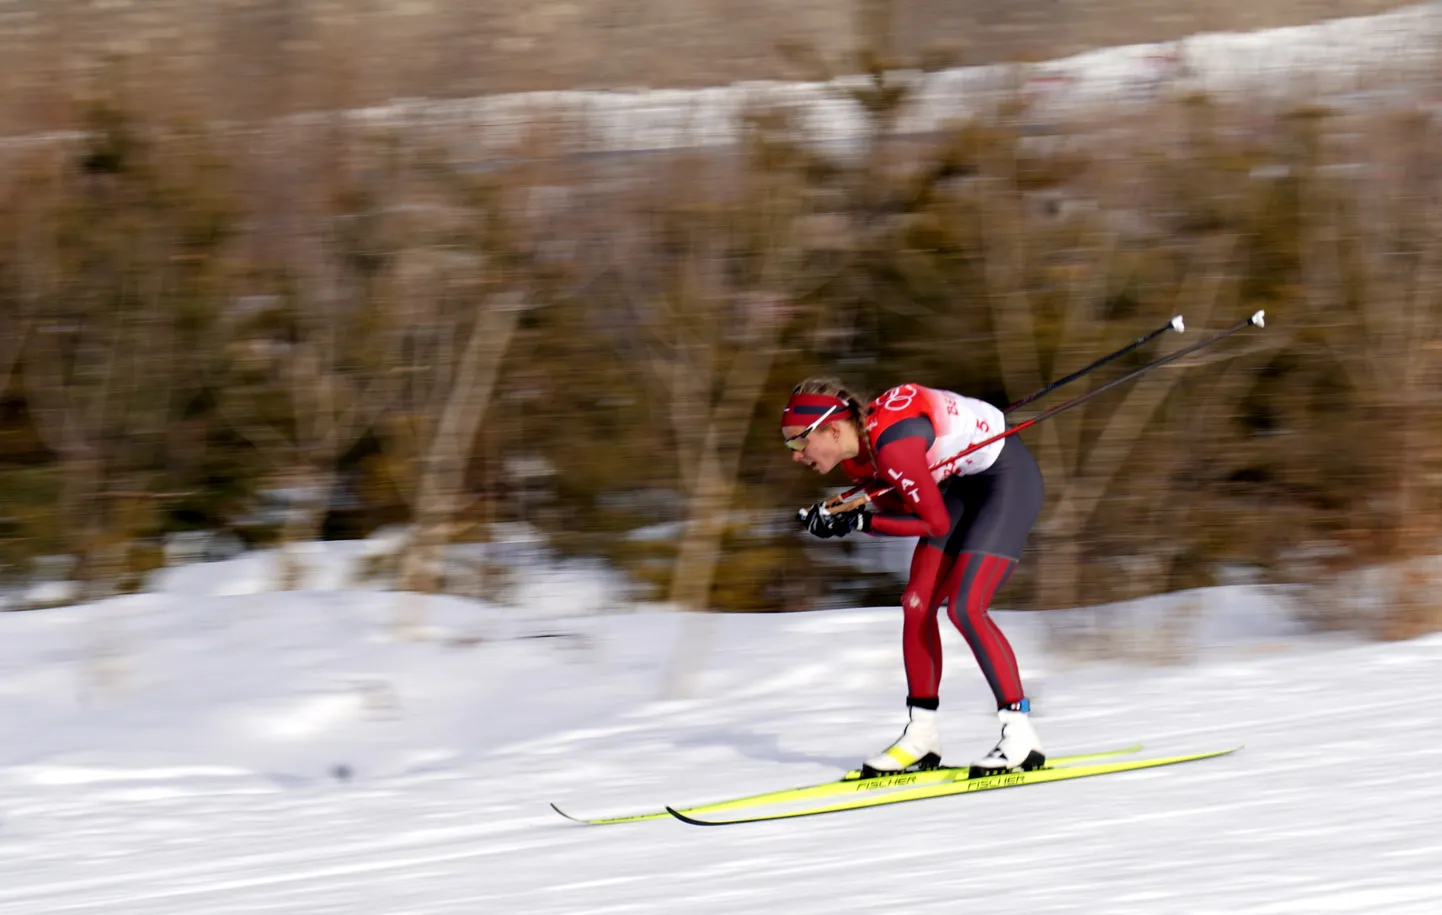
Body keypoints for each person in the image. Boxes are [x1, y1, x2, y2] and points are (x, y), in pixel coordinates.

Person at [781, 377, 1047, 778]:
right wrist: (843, 513)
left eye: (798, 442)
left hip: (1006, 478)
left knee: (965, 608)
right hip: (962, 484)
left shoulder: (892, 445)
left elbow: (933, 523)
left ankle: (1021, 735)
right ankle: (922, 738)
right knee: (917, 605)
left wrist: (858, 520)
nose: (796, 456)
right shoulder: (861, 454)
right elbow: (897, 494)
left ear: (834, 428)